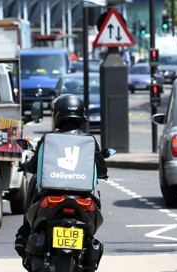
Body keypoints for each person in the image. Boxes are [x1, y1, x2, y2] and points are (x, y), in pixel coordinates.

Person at [14, 94, 108, 257]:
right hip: (82, 198)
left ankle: (24, 234)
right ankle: (89, 237)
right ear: (81, 115)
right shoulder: (90, 140)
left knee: (34, 182)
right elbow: (101, 171)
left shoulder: (48, 139)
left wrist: (25, 166)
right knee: (96, 199)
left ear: (57, 114)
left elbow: (35, 165)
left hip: (52, 196)